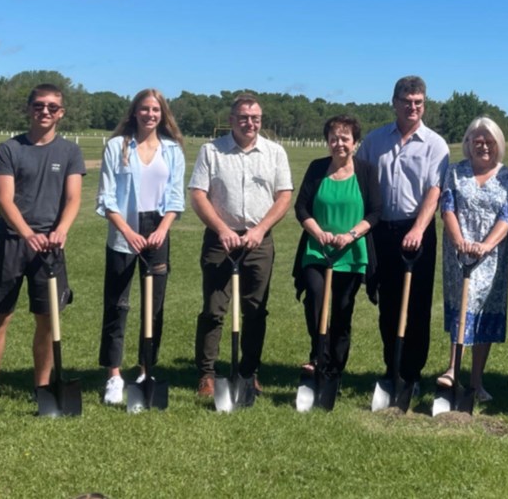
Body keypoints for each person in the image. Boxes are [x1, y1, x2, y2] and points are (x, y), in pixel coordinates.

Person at [0, 84, 85, 418]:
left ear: (61, 113)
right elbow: (4, 198)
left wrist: (61, 229)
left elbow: (74, 197)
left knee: (48, 319)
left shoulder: (70, 152)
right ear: (29, 108)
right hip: (10, 242)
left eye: (52, 107)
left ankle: (42, 389)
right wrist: (27, 234)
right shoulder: (9, 148)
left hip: (51, 246)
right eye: (39, 105)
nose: (45, 111)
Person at [188, 93, 293, 397]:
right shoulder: (212, 151)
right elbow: (197, 194)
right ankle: (207, 374)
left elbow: (284, 195)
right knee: (213, 309)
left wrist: (260, 229)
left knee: (256, 310)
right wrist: (221, 229)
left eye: (255, 118)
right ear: (232, 120)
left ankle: (249, 373)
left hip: (258, 241)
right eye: (244, 117)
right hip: (220, 239)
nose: (250, 123)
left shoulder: (274, 152)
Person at [354, 76, 449, 397]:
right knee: (388, 303)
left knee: (418, 306)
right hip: (382, 229)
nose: (413, 107)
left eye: (418, 102)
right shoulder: (375, 141)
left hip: (418, 231)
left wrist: (419, 229)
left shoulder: (435, 144)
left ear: (424, 104)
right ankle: (391, 367)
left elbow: (434, 191)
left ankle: (412, 372)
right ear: (394, 102)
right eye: (407, 101)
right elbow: (361, 183)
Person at [96, 88, 186, 405]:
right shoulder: (116, 147)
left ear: (163, 114)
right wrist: (127, 231)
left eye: (156, 110)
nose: (150, 114)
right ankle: (114, 376)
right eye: (145, 109)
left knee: (154, 307)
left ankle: (146, 370)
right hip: (123, 230)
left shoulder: (173, 150)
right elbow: (106, 198)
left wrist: (163, 228)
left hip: (157, 230)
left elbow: (176, 196)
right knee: (117, 304)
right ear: (135, 112)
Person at [291, 115, 381, 382]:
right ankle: (319, 356)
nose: (339, 143)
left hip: (351, 252)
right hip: (317, 250)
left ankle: (334, 369)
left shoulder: (366, 171)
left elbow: (375, 213)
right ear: (327, 141)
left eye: (345, 138)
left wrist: (350, 235)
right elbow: (301, 207)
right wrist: (318, 232)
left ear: (355, 142)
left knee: (342, 310)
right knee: (316, 300)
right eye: (334, 138)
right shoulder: (317, 168)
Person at [437, 116, 508, 402]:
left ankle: (477, 381)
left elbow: (507, 217)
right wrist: (460, 242)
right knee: (463, 307)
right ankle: (452, 371)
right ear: (468, 143)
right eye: (477, 141)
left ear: (498, 144)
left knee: (484, 313)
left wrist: (486, 245)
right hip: (460, 254)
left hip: (491, 256)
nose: (483, 146)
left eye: (489, 141)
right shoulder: (455, 172)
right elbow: (447, 207)